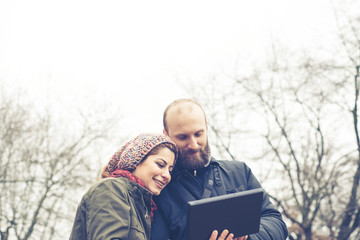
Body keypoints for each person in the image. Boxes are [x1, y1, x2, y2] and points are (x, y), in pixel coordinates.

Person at [102, 99, 288, 240]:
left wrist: (248, 238)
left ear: (206, 128)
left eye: (198, 134)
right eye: (183, 137)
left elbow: (276, 222)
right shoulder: (158, 190)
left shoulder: (240, 172)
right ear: (166, 135)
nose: (193, 144)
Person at [69, 133, 178, 240]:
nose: (167, 175)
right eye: (160, 165)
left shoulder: (142, 207)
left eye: (170, 170)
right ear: (136, 160)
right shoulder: (111, 189)